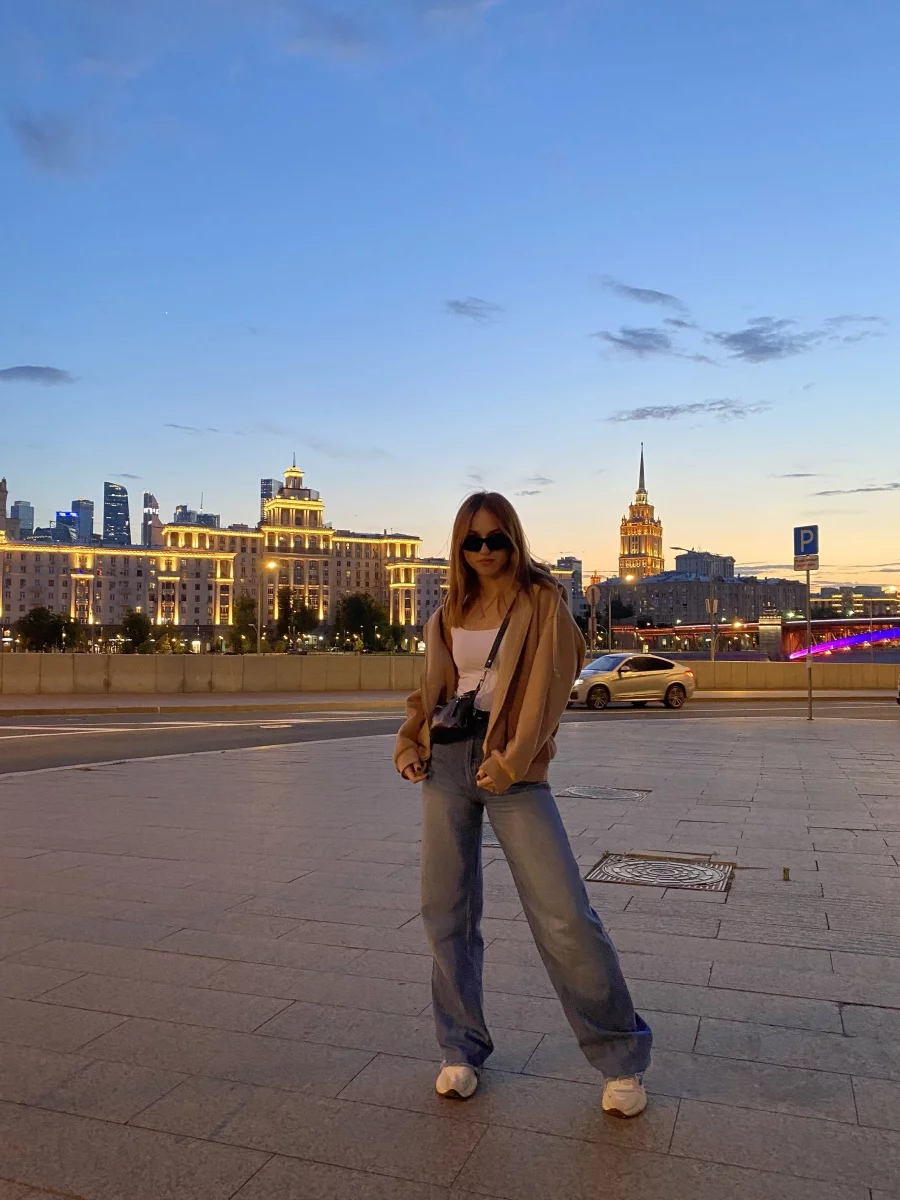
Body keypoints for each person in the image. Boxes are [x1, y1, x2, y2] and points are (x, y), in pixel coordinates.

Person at [394, 492, 652, 1118]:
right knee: (445, 911)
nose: (484, 550)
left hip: (514, 766)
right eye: (472, 541)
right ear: (459, 547)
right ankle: (460, 1049)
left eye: (495, 538)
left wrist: (513, 760)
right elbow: (433, 689)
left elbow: (551, 687)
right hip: (446, 764)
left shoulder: (541, 602)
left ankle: (620, 1057)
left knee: (564, 915)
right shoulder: (450, 609)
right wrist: (409, 742)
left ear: (513, 539)